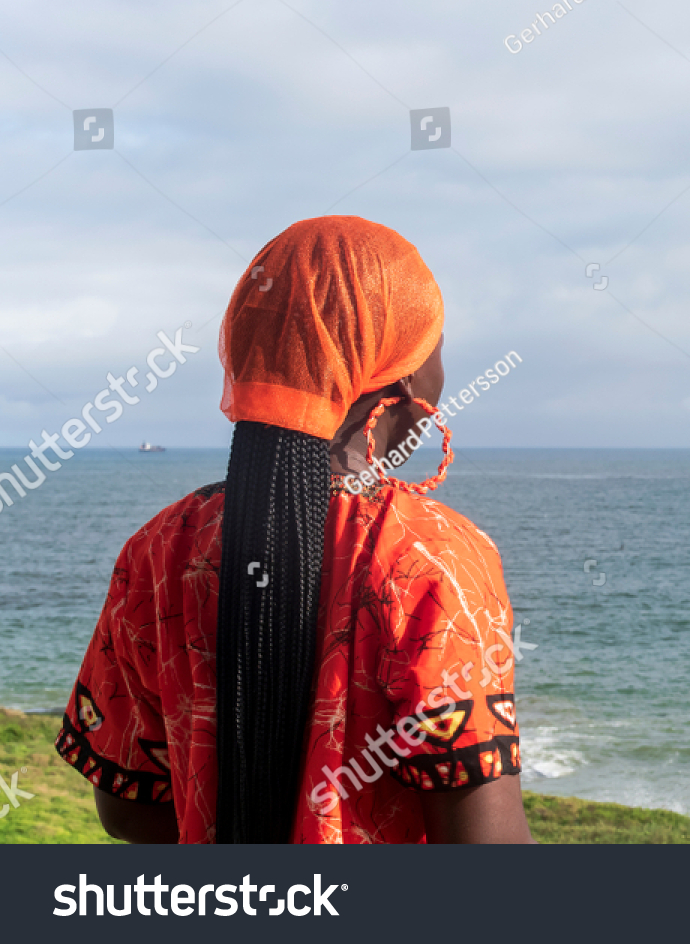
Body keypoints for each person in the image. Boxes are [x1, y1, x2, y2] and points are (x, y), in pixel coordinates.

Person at [54, 216, 534, 844]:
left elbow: (127, 807)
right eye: (436, 345)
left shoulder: (160, 548)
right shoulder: (434, 558)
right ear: (404, 375)